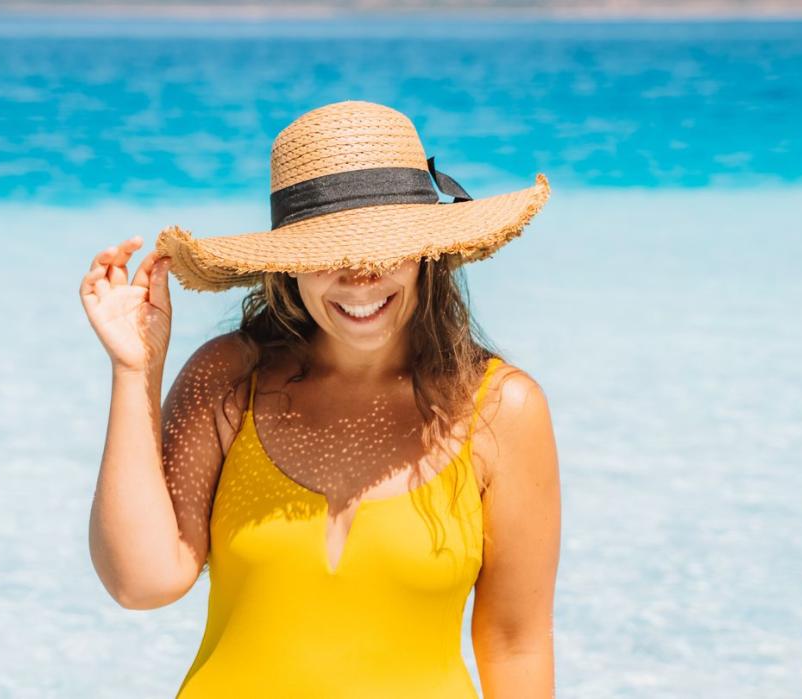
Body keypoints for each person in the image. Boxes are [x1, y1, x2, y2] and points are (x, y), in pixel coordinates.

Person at [80, 100, 561, 698]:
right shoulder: (231, 378)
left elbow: (515, 644)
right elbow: (141, 581)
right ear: (289, 265)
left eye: (385, 249)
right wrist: (134, 371)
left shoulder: (498, 408)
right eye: (328, 254)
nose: (360, 278)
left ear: (426, 254)